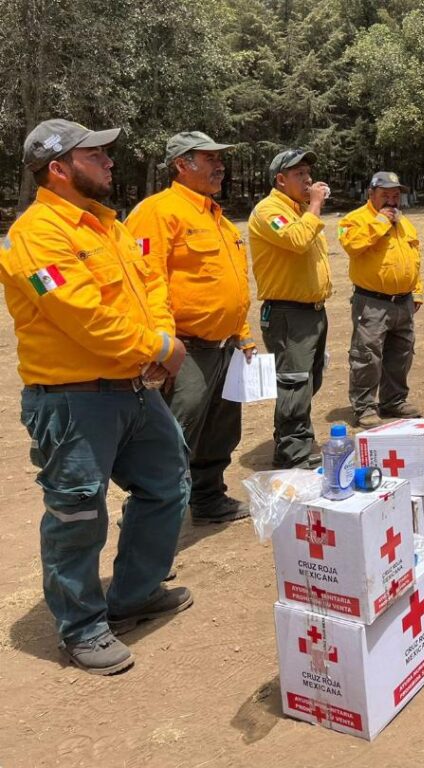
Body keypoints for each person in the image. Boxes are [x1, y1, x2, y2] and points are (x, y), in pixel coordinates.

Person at [1, 119, 193, 674]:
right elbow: (82, 317)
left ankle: (133, 594)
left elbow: (151, 285)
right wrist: (157, 347)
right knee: (77, 512)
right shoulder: (36, 235)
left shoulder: (108, 225)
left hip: (133, 389)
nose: (111, 161)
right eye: (97, 154)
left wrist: (160, 341)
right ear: (58, 169)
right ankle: (81, 627)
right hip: (73, 400)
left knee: (167, 485)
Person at [126, 131, 254, 525]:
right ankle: (148, 530)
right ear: (182, 164)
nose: (220, 166)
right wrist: (163, 346)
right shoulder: (158, 212)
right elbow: (147, 282)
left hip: (225, 347)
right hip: (187, 349)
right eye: (209, 158)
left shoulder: (214, 214)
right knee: (172, 439)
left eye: (221, 159)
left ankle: (209, 497)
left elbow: (230, 281)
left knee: (220, 431)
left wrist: (242, 332)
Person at [249, 148, 332, 467]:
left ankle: (295, 437)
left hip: (312, 311)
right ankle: (291, 452)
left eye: (308, 172)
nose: (308, 179)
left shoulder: (298, 210)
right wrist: (314, 205)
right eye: (299, 174)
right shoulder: (270, 210)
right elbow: (297, 241)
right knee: (295, 382)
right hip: (287, 313)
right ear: (280, 180)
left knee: (309, 381)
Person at [339, 171, 423, 428]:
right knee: (367, 355)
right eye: (385, 195)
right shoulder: (354, 219)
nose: (392, 200)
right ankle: (364, 407)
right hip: (372, 302)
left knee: (401, 353)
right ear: (370, 194)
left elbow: (414, 257)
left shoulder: (405, 222)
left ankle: (394, 401)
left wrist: (417, 289)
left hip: (404, 301)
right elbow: (352, 245)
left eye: (396, 195)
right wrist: (381, 222)